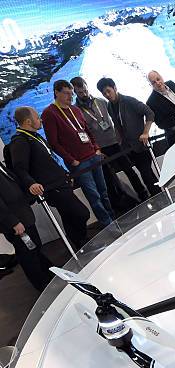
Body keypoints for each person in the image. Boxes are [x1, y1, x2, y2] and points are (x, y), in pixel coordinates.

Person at [9, 106, 89, 249]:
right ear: (28, 122)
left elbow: (49, 160)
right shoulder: (20, 141)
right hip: (52, 187)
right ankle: (81, 241)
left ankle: (80, 244)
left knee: (69, 216)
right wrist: (31, 183)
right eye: (37, 118)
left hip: (59, 182)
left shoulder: (35, 136)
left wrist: (64, 174)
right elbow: (19, 167)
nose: (40, 120)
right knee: (81, 213)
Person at [42, 79, 114, 227]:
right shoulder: (50, 113)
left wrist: (96, 148)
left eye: (71, 93)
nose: (71, 97)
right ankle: (107, 223)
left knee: (103, 190)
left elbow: (87, 131)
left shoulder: (75, 110)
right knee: (93, 195)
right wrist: (71, 160)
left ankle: (113, 217)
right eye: (67, 93)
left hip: (93, 155)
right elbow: (54, 143)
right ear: (56, 93)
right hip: (78, 163)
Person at [70, 76, 148, 204]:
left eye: (85, 90)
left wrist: (121, 138)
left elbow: (116, 120)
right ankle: (122, 203)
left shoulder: (101, 101)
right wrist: (96, 149)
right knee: (109, 179)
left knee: (129, 170)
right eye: (80, 92)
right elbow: (83, 132)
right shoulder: (76, 111)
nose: (84, 93)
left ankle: (143, 193)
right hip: (100, 149)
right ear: (75, 93)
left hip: (115, 142)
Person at [97, 77, 162, 197]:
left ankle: (159, 199)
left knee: (146, 175)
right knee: (148, 175)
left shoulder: (128, 101)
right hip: (130, 148)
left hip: (141, 145)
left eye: (108, 91)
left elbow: (149, 113)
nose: (107, 95)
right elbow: (118, 125)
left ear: (115, 88)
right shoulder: (110, 106)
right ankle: (161, 196)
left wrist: (146, 132)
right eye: (104, 93)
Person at [0, 160, 53, 291]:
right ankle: (41, 284)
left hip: (23, 215)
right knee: (27, 253)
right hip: (14, 221)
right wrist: (12, 222)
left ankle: (48, 274)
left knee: (33, 246)